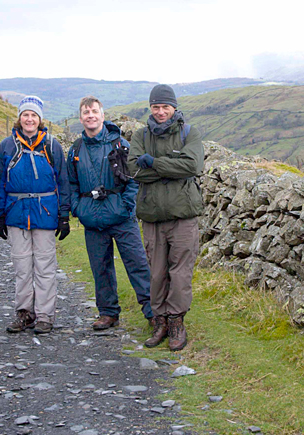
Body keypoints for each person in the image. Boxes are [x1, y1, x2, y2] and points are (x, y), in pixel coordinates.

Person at [128, 84, 204, 351]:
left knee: (181, 272)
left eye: (165, 107)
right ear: (150, 108)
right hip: (152, 216)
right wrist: (172, 167)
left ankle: (176, 323)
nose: (160, 112)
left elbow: (193, 166)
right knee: (157, 272)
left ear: (174, 107)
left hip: (183, 216)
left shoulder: (188, 132)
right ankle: (159, 321)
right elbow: (133, 170)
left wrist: (155, 163)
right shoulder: (140, 135)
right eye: (156, 107)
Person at [67, 96, 153, 331]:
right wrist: (78, 208)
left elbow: (134, 180)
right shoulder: (75, 150)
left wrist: (127, 206)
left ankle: (153, 313)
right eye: (86, 112)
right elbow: (71, 185)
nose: (90, 115)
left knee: (137, 265)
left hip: (122, 218)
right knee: (100, 268)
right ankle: (108, 313)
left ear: (103, 115)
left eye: (94, 111)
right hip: (92, 219)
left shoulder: (120, 144)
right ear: (81, 118)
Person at [0, 96, 71, 335]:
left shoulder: (51, 145)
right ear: (19, 118)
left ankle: (45, 316)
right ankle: (24, 313)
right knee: (22, 266)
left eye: (34, 115)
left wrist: (64, 214)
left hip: (45, 213)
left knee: (45, 267)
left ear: (40, 119)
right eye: (25, 115)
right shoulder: (6, 146)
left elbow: (63, 180)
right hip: (16, 213)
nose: (29, 119)